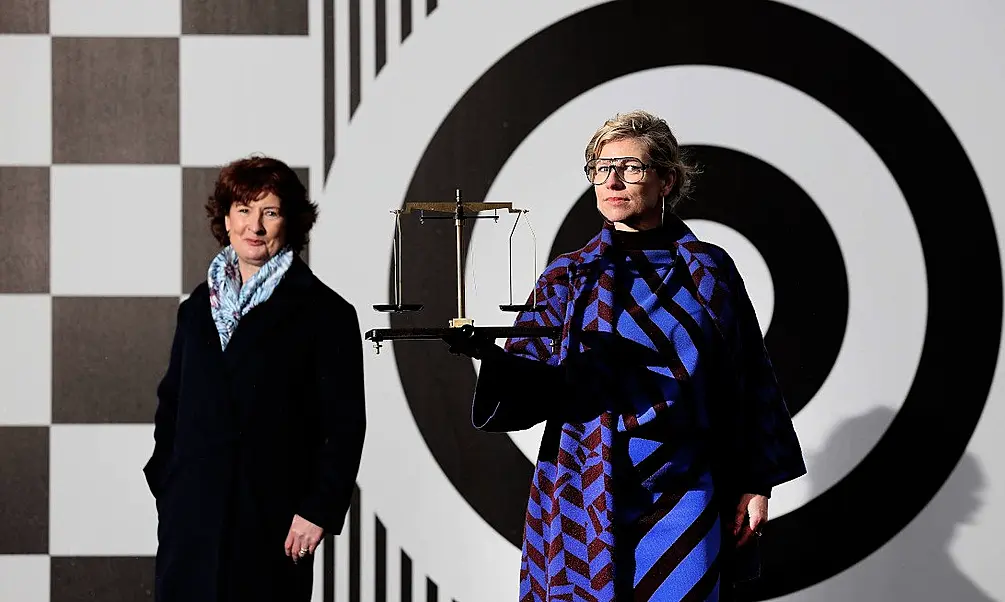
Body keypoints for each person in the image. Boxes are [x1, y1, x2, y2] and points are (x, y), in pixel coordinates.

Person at [444, 110, 807, 601]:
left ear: (666, 179)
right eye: (600, 167)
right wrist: (492, 356)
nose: (612, 180)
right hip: (588, 481)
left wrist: (757, 481)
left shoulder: (710, 270)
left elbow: (749, 380)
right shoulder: (568, 276)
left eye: (630, 168)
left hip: (688, 485)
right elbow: (530, 390)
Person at [143, 156, 367, 602]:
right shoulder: (195, 310)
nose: (255, 226)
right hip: (191, 522)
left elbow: (344, 427)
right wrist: (169, 488)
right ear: (225, 219)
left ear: (291, 222)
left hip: (273, 521)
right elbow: (171, 405)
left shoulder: (327, 314)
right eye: (244, 210)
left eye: (270, 211)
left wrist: (317, 510)